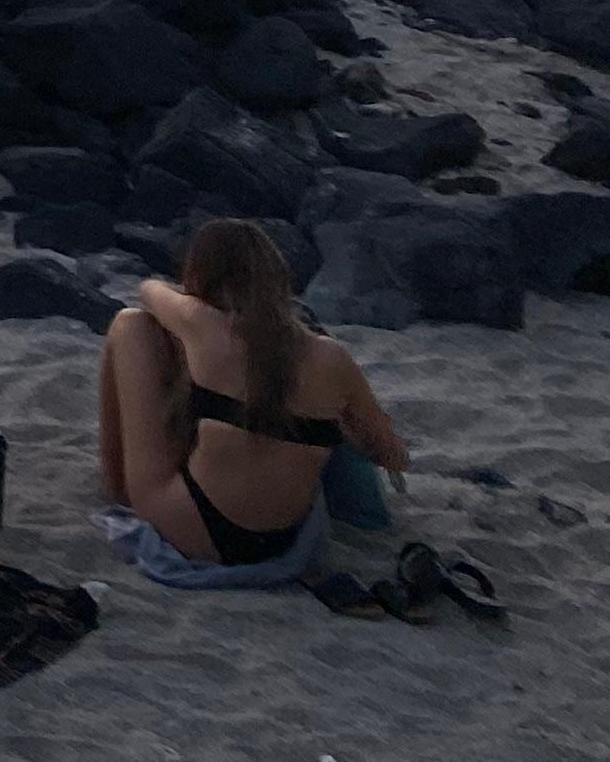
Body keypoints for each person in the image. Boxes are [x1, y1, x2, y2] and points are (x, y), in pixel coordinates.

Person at [99, 216, 410, 573]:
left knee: (131, 325)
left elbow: (149, 290)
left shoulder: (207, 327)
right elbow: (391, 454)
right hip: (284, 539)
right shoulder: (333, 357)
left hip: (198, 528)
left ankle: (116, 487)